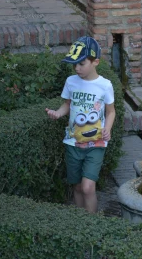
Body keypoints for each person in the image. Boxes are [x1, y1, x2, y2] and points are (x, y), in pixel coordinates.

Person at [45, 36, 116, 213]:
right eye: (74, 64)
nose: (77, 68)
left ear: (95, 62)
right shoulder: (71, 81)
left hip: (96, 143)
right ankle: (80, 221)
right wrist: (58, 113)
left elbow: (110, 111)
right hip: (73, 143)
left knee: (87, 187)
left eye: (81, 63)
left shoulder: (105, 85)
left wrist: (107, 129)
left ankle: (91, 226)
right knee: (77, 187)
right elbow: (67, 104)